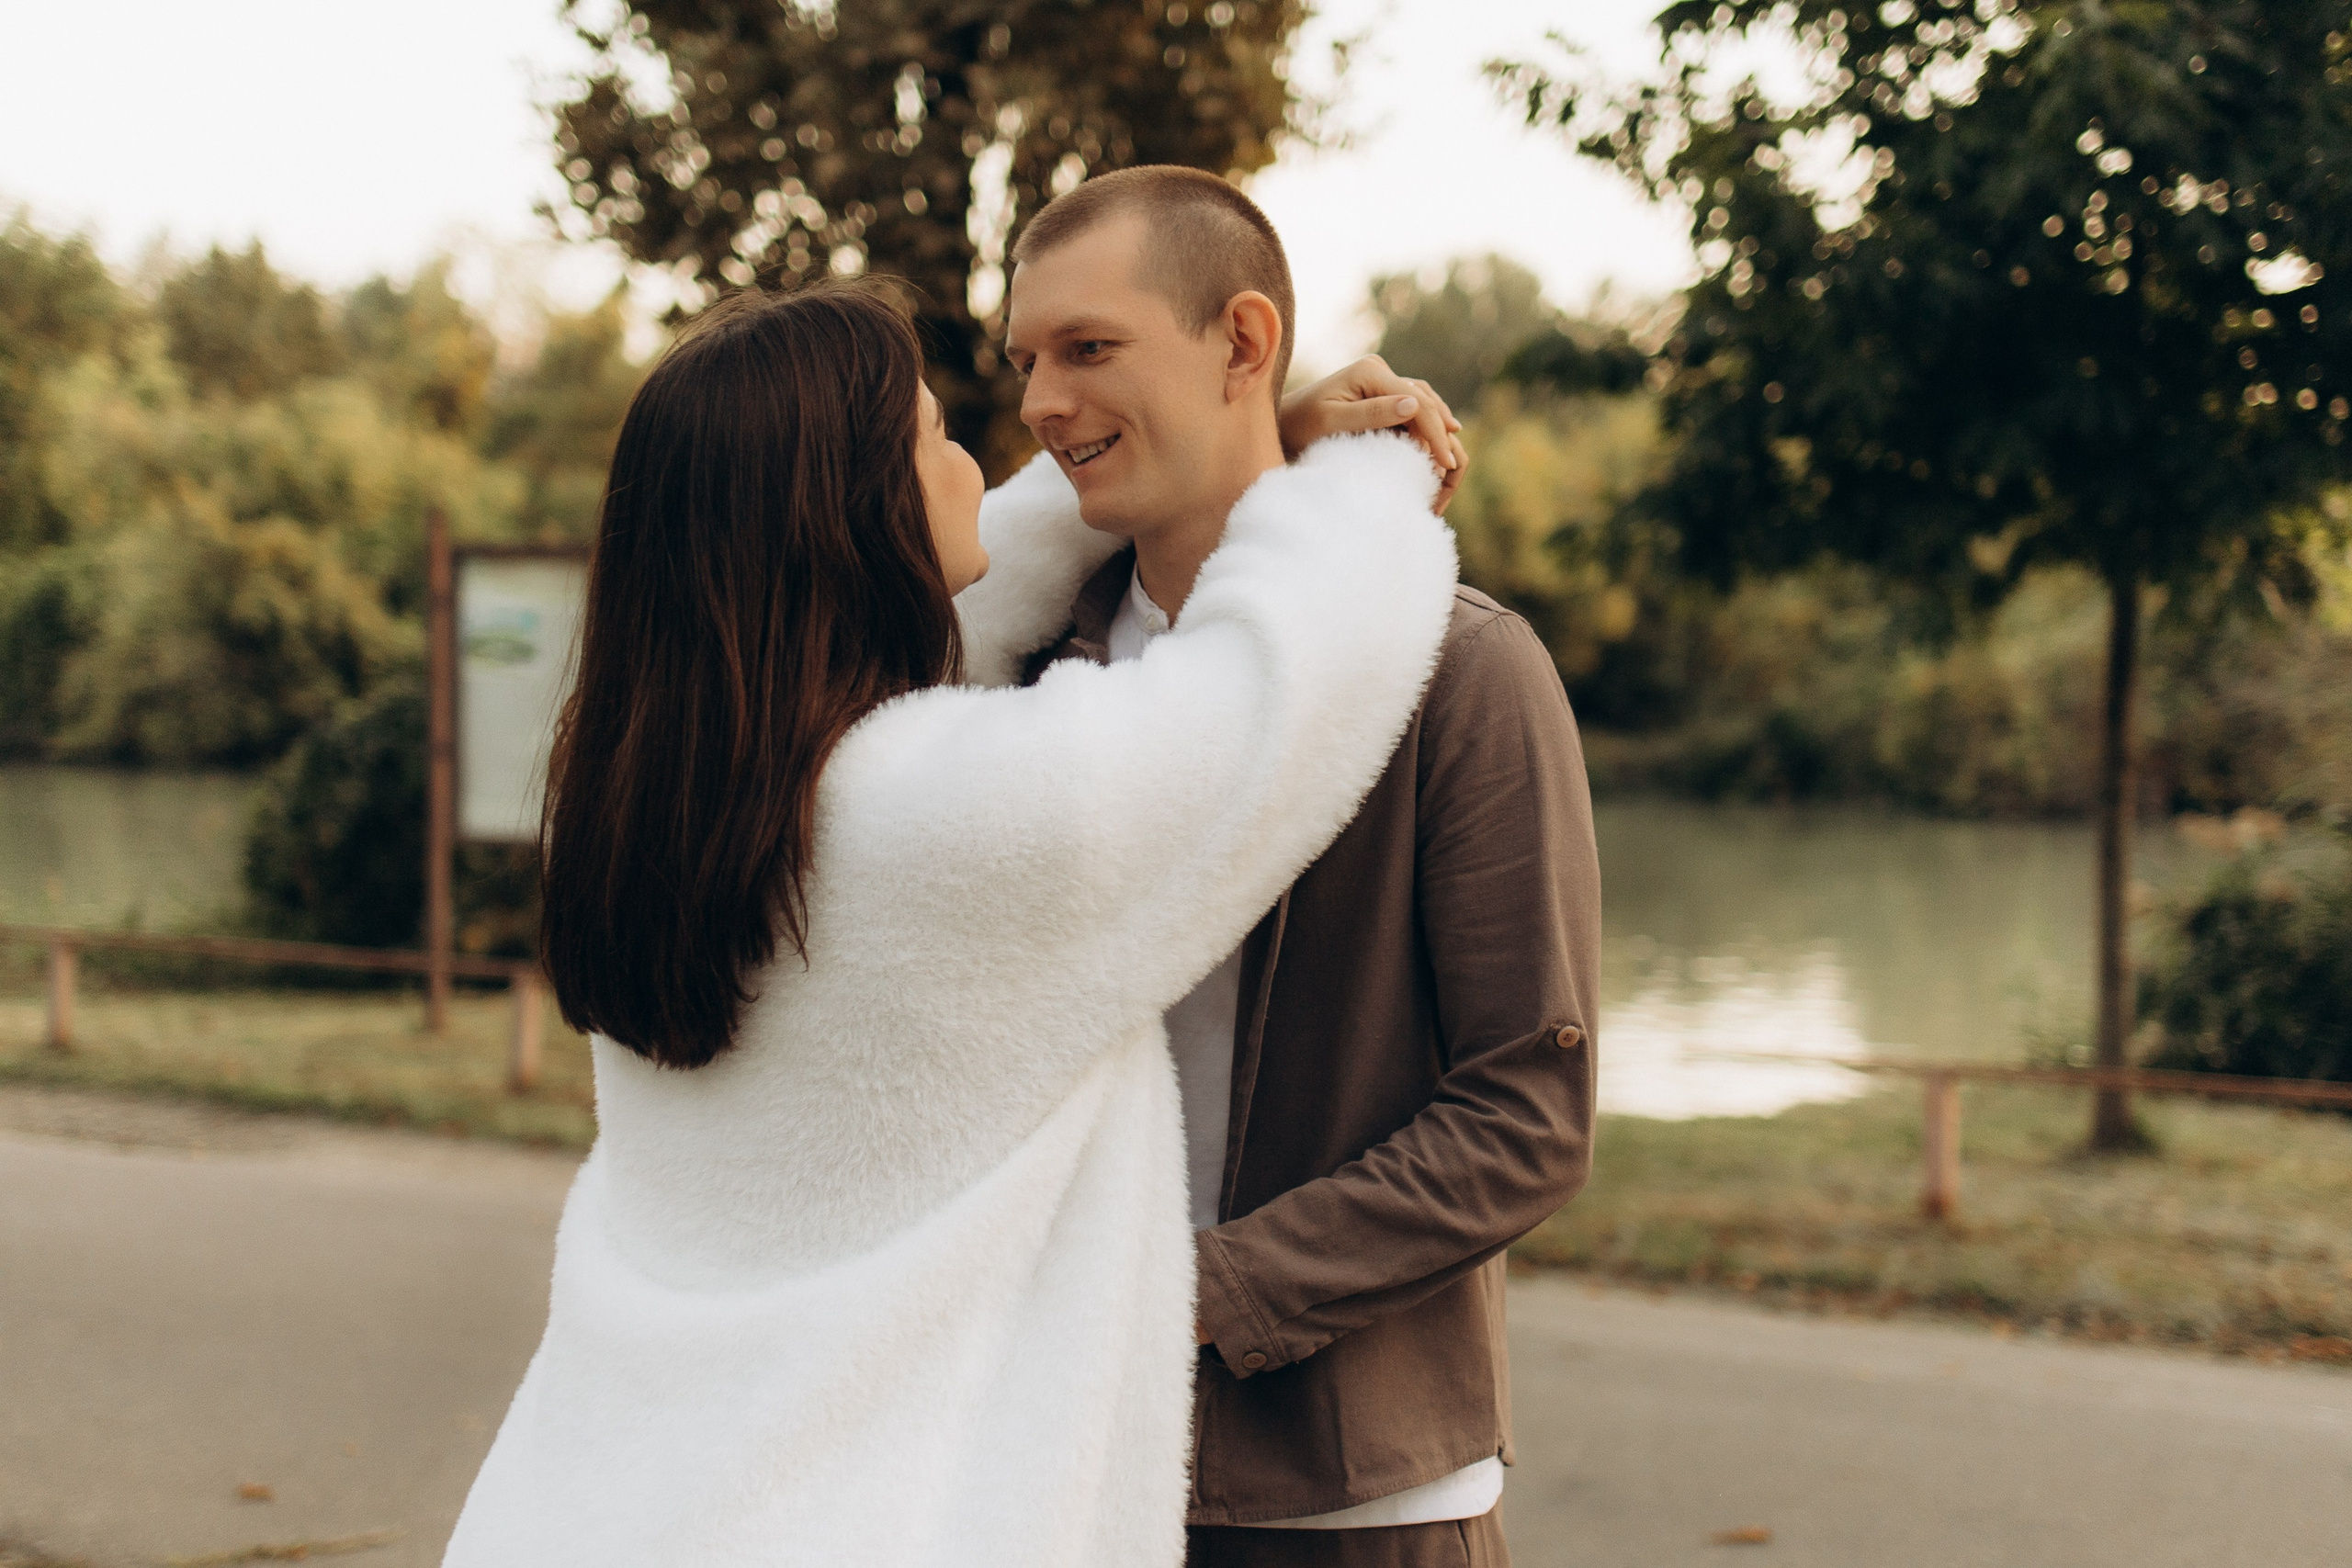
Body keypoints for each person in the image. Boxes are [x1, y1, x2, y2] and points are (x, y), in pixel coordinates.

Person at [440, 276, 1464, 1566]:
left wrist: (1199, 450)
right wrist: (1352, 473)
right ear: (851, 513)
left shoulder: (665, 815)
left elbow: (890, 635)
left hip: (595, 1504)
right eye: (935, 439)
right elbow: (1282, 687)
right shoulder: (940, 823)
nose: (981, 465)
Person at [1006, 168, 1600, 1568]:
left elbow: (1528, 1113)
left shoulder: (1460, 672)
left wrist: (1188, 1296)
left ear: (1244, 340)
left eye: (1090, 351)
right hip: (1053, 1474)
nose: (1040, 401)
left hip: (1357, 1506)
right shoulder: (1019, 683)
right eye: (1024, 361)